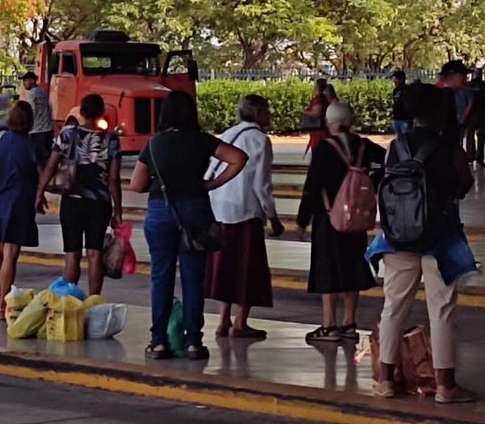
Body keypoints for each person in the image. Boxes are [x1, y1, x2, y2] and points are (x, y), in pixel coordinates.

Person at [368, 83, 476, 403]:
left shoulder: (395, 146)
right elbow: (464, 185)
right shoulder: (449, 148)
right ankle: (445, 386)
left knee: (393, 307)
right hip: (440, 236)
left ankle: (386, 379)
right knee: (441, 310)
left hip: (397, 236)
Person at [129, 91, 248, 361]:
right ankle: (194, 342)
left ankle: (158, 342)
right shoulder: (201, 140)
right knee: (193, 277)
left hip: (161, 211)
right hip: (195, 210)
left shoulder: (155, 143)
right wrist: (210, 184)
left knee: (161, 277)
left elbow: (136, 184)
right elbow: (238, 158)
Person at [296, 101, 383, 345]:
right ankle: (350, 323)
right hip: (356, 218)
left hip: (329, 217)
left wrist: (303, 220)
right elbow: (384, 163)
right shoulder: (364, 146)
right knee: (353, 266)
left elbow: (312, 186)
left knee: (328, 269)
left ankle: (329, 325)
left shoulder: (325, 149)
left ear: (329, 122)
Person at [204, 95, 285, 339]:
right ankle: (240, 322)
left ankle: (223, 321)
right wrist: (273, 216)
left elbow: (211, 168)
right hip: (245, 210)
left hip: (218, 207)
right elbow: (262, 184)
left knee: (224, 266)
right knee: (246, 268)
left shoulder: (228, 134)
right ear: (258, 113)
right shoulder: (261, 140)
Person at [36, 95, 122, 297]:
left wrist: (39, 193)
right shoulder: (111, 140)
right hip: (99, 203)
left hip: (72, 201)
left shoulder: (67, 135)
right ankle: (94, 301)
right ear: (102, 113)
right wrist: (118, 211)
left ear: (81, 112)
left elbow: (51, 165)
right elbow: (114, 179)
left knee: (72, 254)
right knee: (95, 253)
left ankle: (68, 301)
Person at [0, 101, 40, 320]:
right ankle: (3, 303)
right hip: (19, 199)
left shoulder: (2, 139)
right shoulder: (32, 145)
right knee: (10, 253)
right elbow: (42, 171)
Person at [21, 72, 53, 165]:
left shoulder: (32, 94)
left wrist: (26, 126)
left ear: (32, 81)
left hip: (37, 130)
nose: (23, 83)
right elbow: (49, 107)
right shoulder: (43, 91)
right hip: (47, 129)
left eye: (25, 81)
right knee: (46, 158)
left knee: (38, 161)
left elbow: (31, 111)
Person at [440, 60, 471, 146]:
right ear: (451, 77)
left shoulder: (464, 90)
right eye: (463, 75)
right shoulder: (442, 96)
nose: (465, 78)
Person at [465, 68, 485, 166]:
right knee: (481, 136)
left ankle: (471, 156)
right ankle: (480, 157)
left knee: (470, 135)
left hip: (472, 114)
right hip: (483, 113)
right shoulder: (484, 85)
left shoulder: (469, 85)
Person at [302, 78, 330, 155]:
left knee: (318, 152)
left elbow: (317, 112)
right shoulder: (325, 98)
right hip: (324, 130)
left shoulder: (318, 99)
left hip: (318, 131)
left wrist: (305, 112)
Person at [391, 70, 410, 138]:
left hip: (404, 119)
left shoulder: (407, 90)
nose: (394, 81)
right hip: (396, 118)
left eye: (396, 79)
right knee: (398, 139)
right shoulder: (395, 90)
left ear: (401, 80)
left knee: (406, 138)